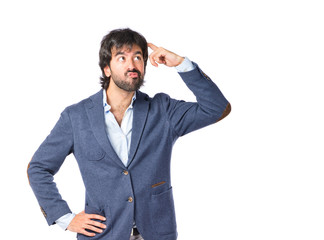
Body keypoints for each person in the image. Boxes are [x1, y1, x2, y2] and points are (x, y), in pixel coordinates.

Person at [27, 28, 231, 240]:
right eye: (121, 57)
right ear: (107, 68)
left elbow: (217, 108)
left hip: (156, 234)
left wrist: (182, 64)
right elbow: (39, 167)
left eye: (138, 57)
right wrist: (65, 218)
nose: (131, 64)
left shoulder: (162, 110)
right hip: (103, 234)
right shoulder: (76, 117)